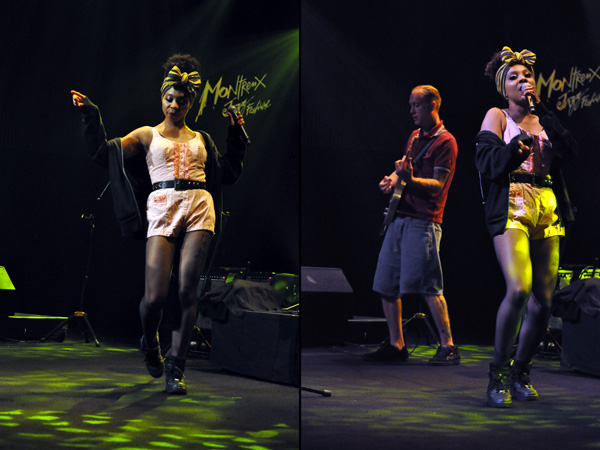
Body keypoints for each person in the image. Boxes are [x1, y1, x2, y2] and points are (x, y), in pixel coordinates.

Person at [71, 54, 247, 395]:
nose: (174, 105)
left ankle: (176, 368)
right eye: (169, 98)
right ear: (161, 97)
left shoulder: (202, 139)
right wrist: (91, 115)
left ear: (191, 103)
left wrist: (237, 135)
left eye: (181, 101)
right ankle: (150, 343)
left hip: (200, 207)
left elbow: (228, 174)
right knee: (155, 297)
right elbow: (105, 153)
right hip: (163, 208)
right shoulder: (147, 135)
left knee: (187, 291)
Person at [475, 47, 577, 407]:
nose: (523, 80)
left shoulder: (544, 118)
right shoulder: (498, 116)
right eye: (514, 77)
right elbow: (486, 162)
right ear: (504, 87)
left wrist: (544, 113)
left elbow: (570, 150)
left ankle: (521, 371)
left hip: (547, 205)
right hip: (513, 203)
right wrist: (514, 151)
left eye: (527, 75)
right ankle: (498, 374)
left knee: (544, 302)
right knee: (519, 289)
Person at [364, 85, 460, 366]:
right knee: (386, 284)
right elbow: (405, 168)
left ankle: (448, 346)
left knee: (429, 286)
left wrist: (409, 179)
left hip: (424, 221)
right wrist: (392, 179)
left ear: (432, 105)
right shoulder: (415, 136)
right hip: (400, 218)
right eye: (411, 105)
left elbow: (438, 184)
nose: (411, 111)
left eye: (416, 105)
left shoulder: (446, 142)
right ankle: (397, 344)